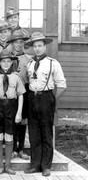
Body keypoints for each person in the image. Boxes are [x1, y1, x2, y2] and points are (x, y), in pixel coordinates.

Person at [24, 32, 66, 177]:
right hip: (32, 98)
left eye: (40, 46)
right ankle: (35, 164)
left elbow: (62, 85)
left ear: (44, 46)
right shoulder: (29, 64)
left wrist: (52, 99)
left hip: (46, 98)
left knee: (46, 133)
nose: (37, 49)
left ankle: (46, 166)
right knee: (34, 133)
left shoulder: (52, 63)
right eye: (34, 46)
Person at [0, 49, 25, 175]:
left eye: (8, 61)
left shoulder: (16, 77)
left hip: (11, 106)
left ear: (11, 62)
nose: (6, 64)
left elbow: (20, 95)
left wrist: (19, 112)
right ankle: (0, 166)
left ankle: (8, 166)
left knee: (9, 135)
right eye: (3, 61)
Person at [6, 29, 30, 160]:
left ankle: (21, 149)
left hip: (24, 92)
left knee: (22, 121)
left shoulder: (28, 59)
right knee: (12, 120)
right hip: (10, 91)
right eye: (16, 42)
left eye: (21, 42)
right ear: (12, 43)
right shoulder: (6, 58)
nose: (18, 45)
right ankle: (13, 148)